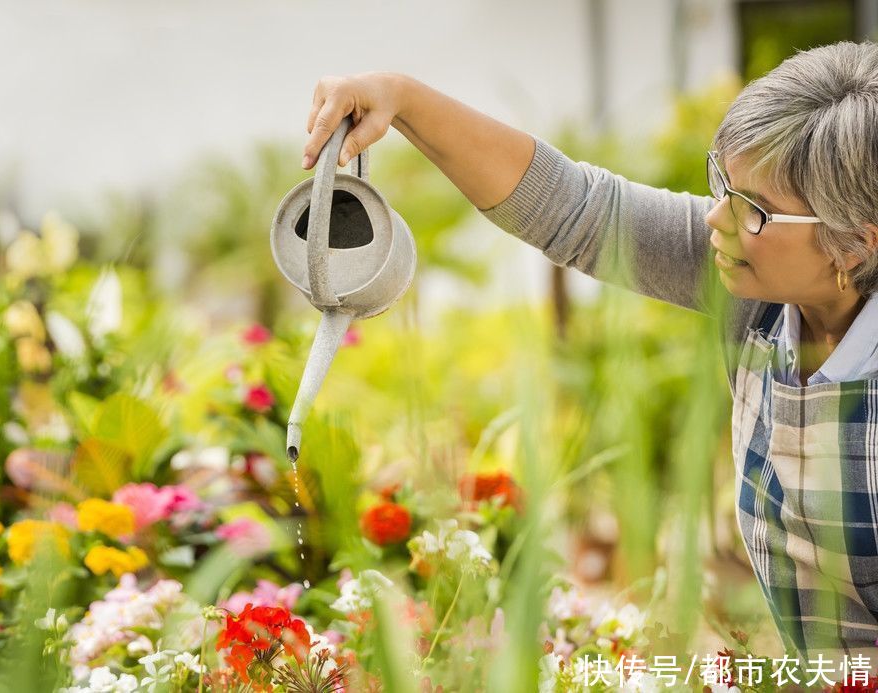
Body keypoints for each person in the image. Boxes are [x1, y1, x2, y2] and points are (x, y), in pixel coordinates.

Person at [302, 42, 878, 662]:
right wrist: (401, 97)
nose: (717, 219)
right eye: (723, 186)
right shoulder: (755, 296)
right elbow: (578, 209)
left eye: (754, 210)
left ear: (852, 245)